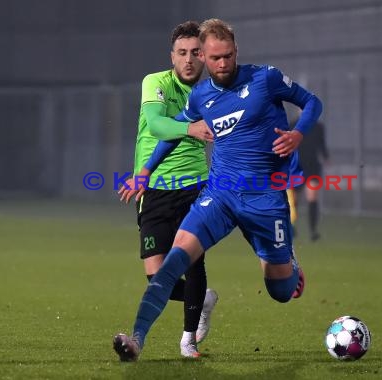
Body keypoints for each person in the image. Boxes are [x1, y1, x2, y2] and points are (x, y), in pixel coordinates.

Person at [113, 18, 323, 362]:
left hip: (264, 197)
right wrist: (145, 171)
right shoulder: (201, 96)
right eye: (215, 58)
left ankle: (289, 267)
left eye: (227, 56)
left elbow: (312, 101)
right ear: (206, 61)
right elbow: (175, 132)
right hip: (220, 193)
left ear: (235, 51)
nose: (222, 64)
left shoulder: (265, 78)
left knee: (281, 290)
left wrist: (298, 133)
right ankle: (136, 339)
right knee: (174, 259)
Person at [116, 21, 218, 359]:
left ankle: (188, 340)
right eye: (182, 53)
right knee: (155, 275)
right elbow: (158, 125)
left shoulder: (213, 94)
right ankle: (202, 298)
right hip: (155, 188)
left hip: (194, 184)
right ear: (172, 55)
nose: (189, 59)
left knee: (193, 262)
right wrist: (191, 127)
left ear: (205, 56)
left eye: (195, 53)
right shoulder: (155, 83)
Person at [298, 121, 329, 241]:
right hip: (296, 167)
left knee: (312, 198)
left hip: (313, 167)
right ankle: (291, 227)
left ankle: (313, 231)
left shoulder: (318, 127)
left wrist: (326, 157)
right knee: (293, 200)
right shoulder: (293, 124)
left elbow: (322, 144)